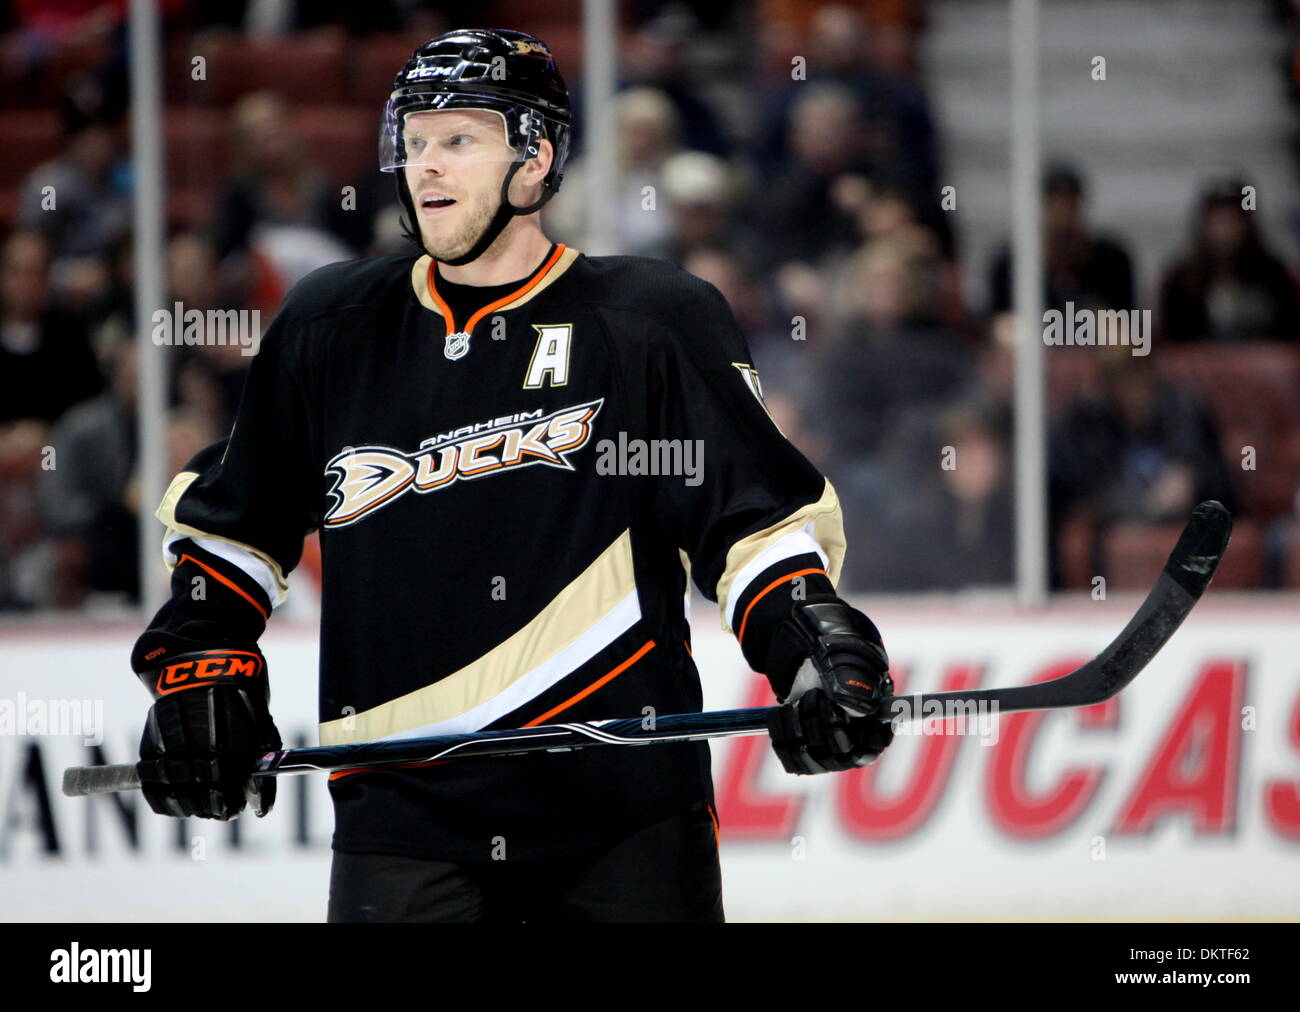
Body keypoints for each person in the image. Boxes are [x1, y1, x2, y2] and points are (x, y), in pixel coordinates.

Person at [127, 28, 894, 924]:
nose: (428, 166)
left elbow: (748, 523)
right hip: (401, 819)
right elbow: (238, 526)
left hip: (625, 814)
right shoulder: (333, 327)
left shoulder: (649, 320)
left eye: (459, 139)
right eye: (415, 141)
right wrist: (202, 665)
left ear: (534, 158)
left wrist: (812, 646)